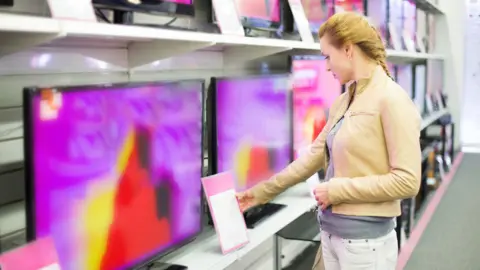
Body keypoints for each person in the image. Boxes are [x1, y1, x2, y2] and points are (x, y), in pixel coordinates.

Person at [236, 12, 421, 270]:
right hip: (332, 235)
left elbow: (407, 181)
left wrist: (336, 189)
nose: (326, 66)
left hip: (365, 246)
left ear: (347, 49)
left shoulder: (392, 100)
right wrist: (258, 194)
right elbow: (312, 158)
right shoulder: (345, 101)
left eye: (327, 56)